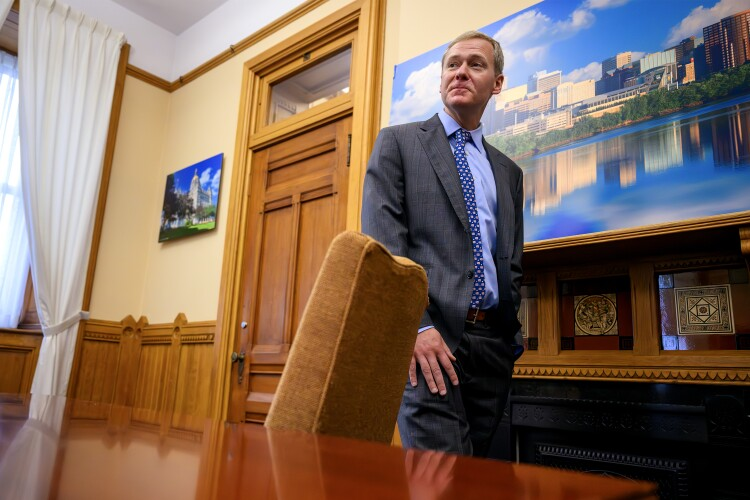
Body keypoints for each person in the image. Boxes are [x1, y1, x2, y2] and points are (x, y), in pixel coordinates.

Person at [361, 30, 523, 457]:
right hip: (427, 344)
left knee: (477, 479)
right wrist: (416, 328)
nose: (461, 72)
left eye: (475, 64)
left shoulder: (508, 172)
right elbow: (383, 250)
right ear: (441, 80)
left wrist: (509, 338)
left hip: (492, 349)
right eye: (453, 64)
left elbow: (510, 259)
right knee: (441, 479)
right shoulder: (398, 143)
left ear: (497, 83)